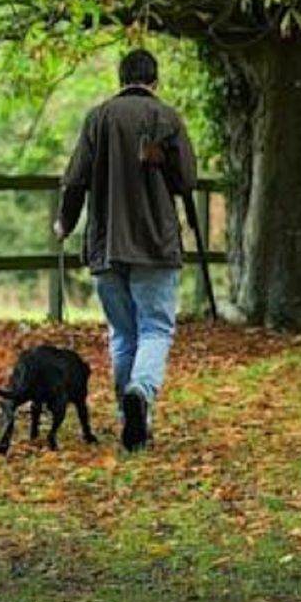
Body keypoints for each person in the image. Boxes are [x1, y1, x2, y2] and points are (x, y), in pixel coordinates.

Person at [52, 48, 197, 452]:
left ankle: (129, 417)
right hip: (155, 242)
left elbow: (76, 179)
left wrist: (65, 222)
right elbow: (187, 180)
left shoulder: (97, 117)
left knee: (122, 333)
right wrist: (162, 160)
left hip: (107, 242)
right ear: (155, 81)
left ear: (121, 79)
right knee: (155, 328)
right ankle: (141, 392)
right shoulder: (167, 117)